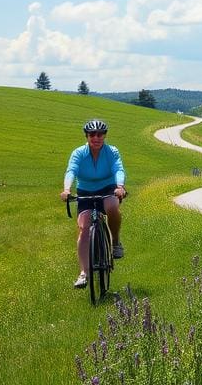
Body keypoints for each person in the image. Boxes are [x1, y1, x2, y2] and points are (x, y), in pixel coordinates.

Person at [60, 118, 127, 289]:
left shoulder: (112, 151)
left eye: (100, 134)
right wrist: (67, 190)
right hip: (85, 192)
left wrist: (120, 186)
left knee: (112, 206)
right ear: (87, 136)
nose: (96, 138)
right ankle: (84, 273)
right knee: (83, 228)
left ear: (104, 136)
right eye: (92, 134)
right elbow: (71, 170)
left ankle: (116, 242)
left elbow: (118, 169)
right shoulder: (78, 153)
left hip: (107, 189)